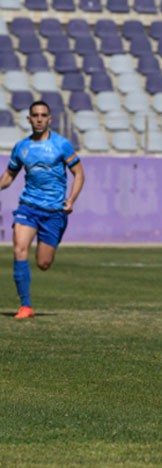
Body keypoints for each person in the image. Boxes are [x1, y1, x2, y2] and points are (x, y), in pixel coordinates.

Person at [0, 100, 85, 319]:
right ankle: (25, 306)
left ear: (50, 119)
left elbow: (79, 174)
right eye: (35, 116)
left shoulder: (62, 145)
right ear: (29, 119)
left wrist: (71, 200)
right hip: (28, 207)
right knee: (19, 249)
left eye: (43, 115)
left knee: (43, 263)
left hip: (54, 211)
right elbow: (10, 175)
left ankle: (48, 244)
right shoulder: (21, 147)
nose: (39, 119)